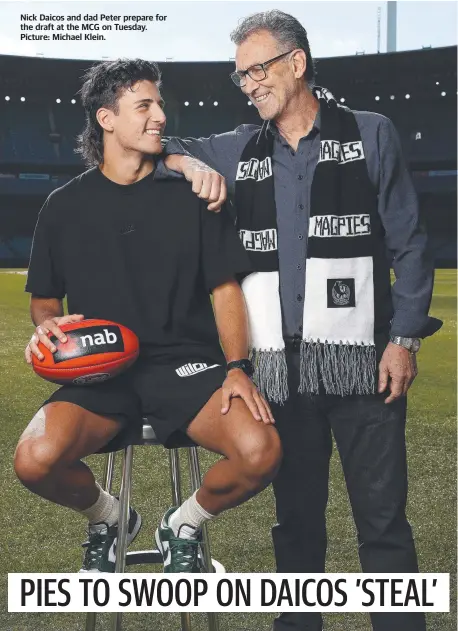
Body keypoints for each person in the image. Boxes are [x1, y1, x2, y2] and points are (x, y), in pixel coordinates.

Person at [162, 10, 442, 630]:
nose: (250, 83)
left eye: (258, 69)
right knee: (296, 531)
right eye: (241, 76)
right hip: (279, 376)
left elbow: (410, 244)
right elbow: (157, 147)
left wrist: (403, 339)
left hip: (366, 363)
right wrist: (189, 166)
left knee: (384, 526)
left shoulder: (371, 133)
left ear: (297, 62)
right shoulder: (237, 148)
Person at [15, 58, 282, 575]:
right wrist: (47, 327)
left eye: (160, 103)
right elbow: (45, 300)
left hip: (187, 366)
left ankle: (181, 524)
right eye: (144, 105)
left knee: (261, 452)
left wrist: (236, 368)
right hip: (102, 369)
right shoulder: (63, 206)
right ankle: (110, 517)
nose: (160, 115)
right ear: (106, 118)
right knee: (34, 459)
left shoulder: (196, 195)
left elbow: (225, 289)